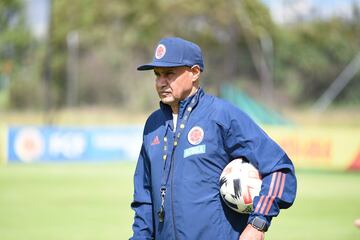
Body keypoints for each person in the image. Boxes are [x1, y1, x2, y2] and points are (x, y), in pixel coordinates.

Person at [130, 37, 297, 240]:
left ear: (194, 72)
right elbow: (144, 198)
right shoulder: (152, 126)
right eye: (157, 75)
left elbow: (280, 168)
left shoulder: (222, 116)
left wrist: (258, 223)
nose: (161, 82)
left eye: (169, 74)